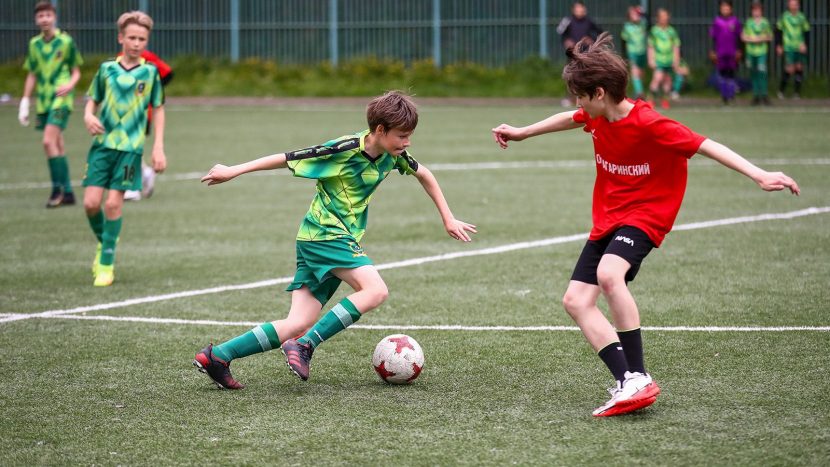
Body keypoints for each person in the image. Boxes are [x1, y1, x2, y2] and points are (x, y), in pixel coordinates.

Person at [491, 33, 799, 417]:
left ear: (600, 93)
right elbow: (571, 118)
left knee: (609, 274)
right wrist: (522, 132)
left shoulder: (650, 123)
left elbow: (705, 144)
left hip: (646, 216)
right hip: (608, 218)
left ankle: (637, 374)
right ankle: (628, 382)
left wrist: (759, 174)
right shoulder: (596, 113)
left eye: (580, 96)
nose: (577, 104)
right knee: (575, 301)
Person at [193, 91, 477, 389]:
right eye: (402, 136)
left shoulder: (392, 156)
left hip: (315, 241)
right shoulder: (342, 149)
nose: (407, 143)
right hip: (326, 234)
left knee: (296, 322)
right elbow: (288, 158)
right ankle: (304, 345)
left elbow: (425, 174)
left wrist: (448, 217)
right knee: (375, 290)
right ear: (379, 130)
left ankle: (218, 356)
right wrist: (234, 170)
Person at [82, 11, 166, 287]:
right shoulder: (107, 69)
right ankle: (106, 240)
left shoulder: (150, 72)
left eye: (142, 38)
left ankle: (106, 263)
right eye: (131, 37)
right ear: (121, 38)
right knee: (91, 204)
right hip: (102, 146)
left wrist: (158, 147)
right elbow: (92, 100)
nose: (137, 43)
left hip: (130, 150)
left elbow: (160, 108)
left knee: (113, 203)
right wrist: (88, 115)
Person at [19, 1, 83, 208]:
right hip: (44, 100)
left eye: (48, 15)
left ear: (54, 17)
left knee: (48, 142)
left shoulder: (65, 42)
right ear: (36, 20)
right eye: (40, 16)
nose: (44, 19)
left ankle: (57, 191)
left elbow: (76, 71)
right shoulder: (34, 44)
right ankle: (69, 193)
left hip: (61, 100)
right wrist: (25, 100)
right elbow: (32, 74)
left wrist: (70, 85)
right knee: (57, 144)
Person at [123, 49, 174, 201]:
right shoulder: (116, 62)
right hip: (121, 114)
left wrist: (150, 90)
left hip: (143, 113)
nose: (135, 42)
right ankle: (144, 173)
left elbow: (168, 73)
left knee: (131, 147)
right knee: (127, 147)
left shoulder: (147, 57)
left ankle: (132, 187)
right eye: (131, 37)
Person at [556, 1, 603, 107]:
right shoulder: (567, 20)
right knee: (571, 75)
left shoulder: (589, 21)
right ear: (573, 10)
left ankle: (588, 97)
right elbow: (561, 33)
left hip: (586, 53)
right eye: (577, 8)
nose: (580, 11)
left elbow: (600, 32)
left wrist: (592, 40)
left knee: (587, 75)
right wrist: (566, 41)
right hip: (573, 53)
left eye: (581, 8)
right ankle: (570, 98)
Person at [647, 8, 680, 110]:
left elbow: (676, 46)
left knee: (667, 81)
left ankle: (665, 100)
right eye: (662, 16)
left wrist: (676, 60)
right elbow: (650, 46)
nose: (664, 18)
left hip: (669, 60)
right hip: (659, 60)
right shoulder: (654, 31)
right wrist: (651, 59)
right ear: (658, 18)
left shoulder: (672, 31)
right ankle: (650, 100)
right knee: (657, 78)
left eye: (665, 16)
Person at [710, 1, 742, 105]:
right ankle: (724, 97)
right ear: (720, 9)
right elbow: (713, 38)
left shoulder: (735, 21)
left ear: (731, 9)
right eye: (723, 8)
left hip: (732, 53)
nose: (725, 10)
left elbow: (739, 38)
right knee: (722, 74)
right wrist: (713, 51)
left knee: (731, 74)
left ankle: (731, 95)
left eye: (727, 8)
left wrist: (739, 50)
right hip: (720, 52)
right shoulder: (717, 22)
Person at [776, 0, 810, 99]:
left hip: (799, 47)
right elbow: (778, 30)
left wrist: (805, 44)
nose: (793, 6)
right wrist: (779, 45)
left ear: (798, 5)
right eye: (791, 4)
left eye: (795, 4)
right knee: (790, 69)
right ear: (788, 5)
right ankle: (781, 91)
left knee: (799, 67)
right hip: (788, 47)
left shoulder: (801, 17)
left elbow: (807, 31)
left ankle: (797, 93)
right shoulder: (784, 16)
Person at [742, 1, 773, 105]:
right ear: (751, 11)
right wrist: (751, 39)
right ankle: (755, 95)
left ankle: (764, 95)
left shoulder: (765, 22)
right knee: (753, 73)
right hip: (750, 52)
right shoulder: (748, 22)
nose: (756, 12)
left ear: (761, 11)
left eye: (758, 10)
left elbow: (770, 36)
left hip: (761, 52)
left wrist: (761, 38)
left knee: (762, 73)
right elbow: (743, 37)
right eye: (754, 10)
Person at [620, 5, 648, 100]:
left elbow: (650, 21)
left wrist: (642, 12)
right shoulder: (627, 27)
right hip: (632, 52)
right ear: (629, 16)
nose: (635, 16)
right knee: (635, 72)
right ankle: (640, 92)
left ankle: (638, 91)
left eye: (637, 14)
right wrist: (624, 56)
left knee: (641, 74)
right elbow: (623, 41)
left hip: (642, 52)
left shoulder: (643, 24)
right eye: (633, 14)